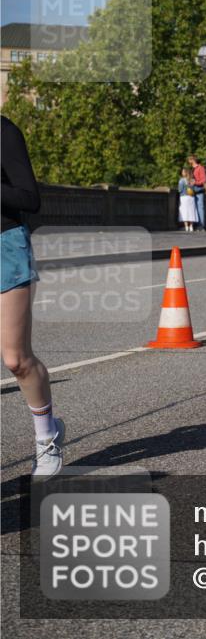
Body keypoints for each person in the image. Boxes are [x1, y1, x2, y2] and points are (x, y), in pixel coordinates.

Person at [1, 115, 62, 479]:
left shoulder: (4, 132)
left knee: (16, 358)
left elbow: (29, 198)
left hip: (5, 245)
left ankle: (47, 437)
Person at [188, 154, 206, 230]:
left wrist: (195, 182)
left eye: (190, 159)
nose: (188, 161)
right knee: (192, 207)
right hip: (191, 190)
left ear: (193, 160)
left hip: (198, 189)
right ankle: (193, 225)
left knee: (200, 207)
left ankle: (201, 225)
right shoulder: (190, 168)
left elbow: (204, 180)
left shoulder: (200, 168)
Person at [178, 167, 198, 232]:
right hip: (191, 197)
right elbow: (195, 189)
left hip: (184, 197)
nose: (182, 173)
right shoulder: (193, 180)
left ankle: (186, 227)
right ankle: (191, 226)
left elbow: (180, 190)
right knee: (191, 211)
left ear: (186, 173)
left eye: (183, 172)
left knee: (185, 212)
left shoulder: (182, 180)